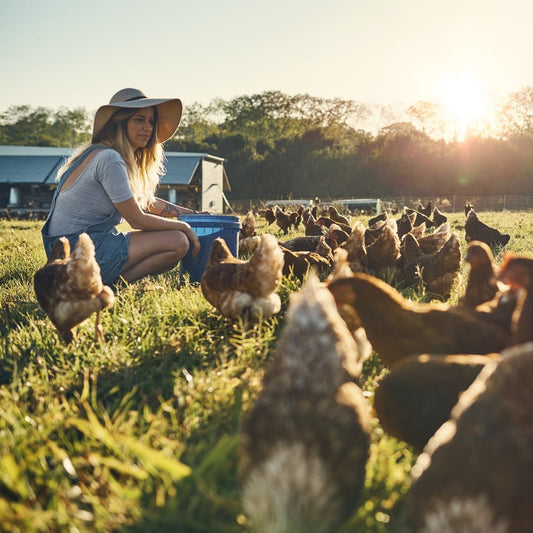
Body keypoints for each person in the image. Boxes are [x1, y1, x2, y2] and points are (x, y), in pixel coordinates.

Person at [41, 88, 202, 286]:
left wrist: (194, 214)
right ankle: (104, 285)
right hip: (76, 250)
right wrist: (184, 226)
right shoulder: (109, 158)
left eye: (151, 121)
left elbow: (145, 202)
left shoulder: (100, 153)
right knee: (178, 241)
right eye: (139, 119)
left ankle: (105, 284)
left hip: (63, 251)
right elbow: (136, 219)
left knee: (176, 240)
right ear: (119, 122)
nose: (148, 128)